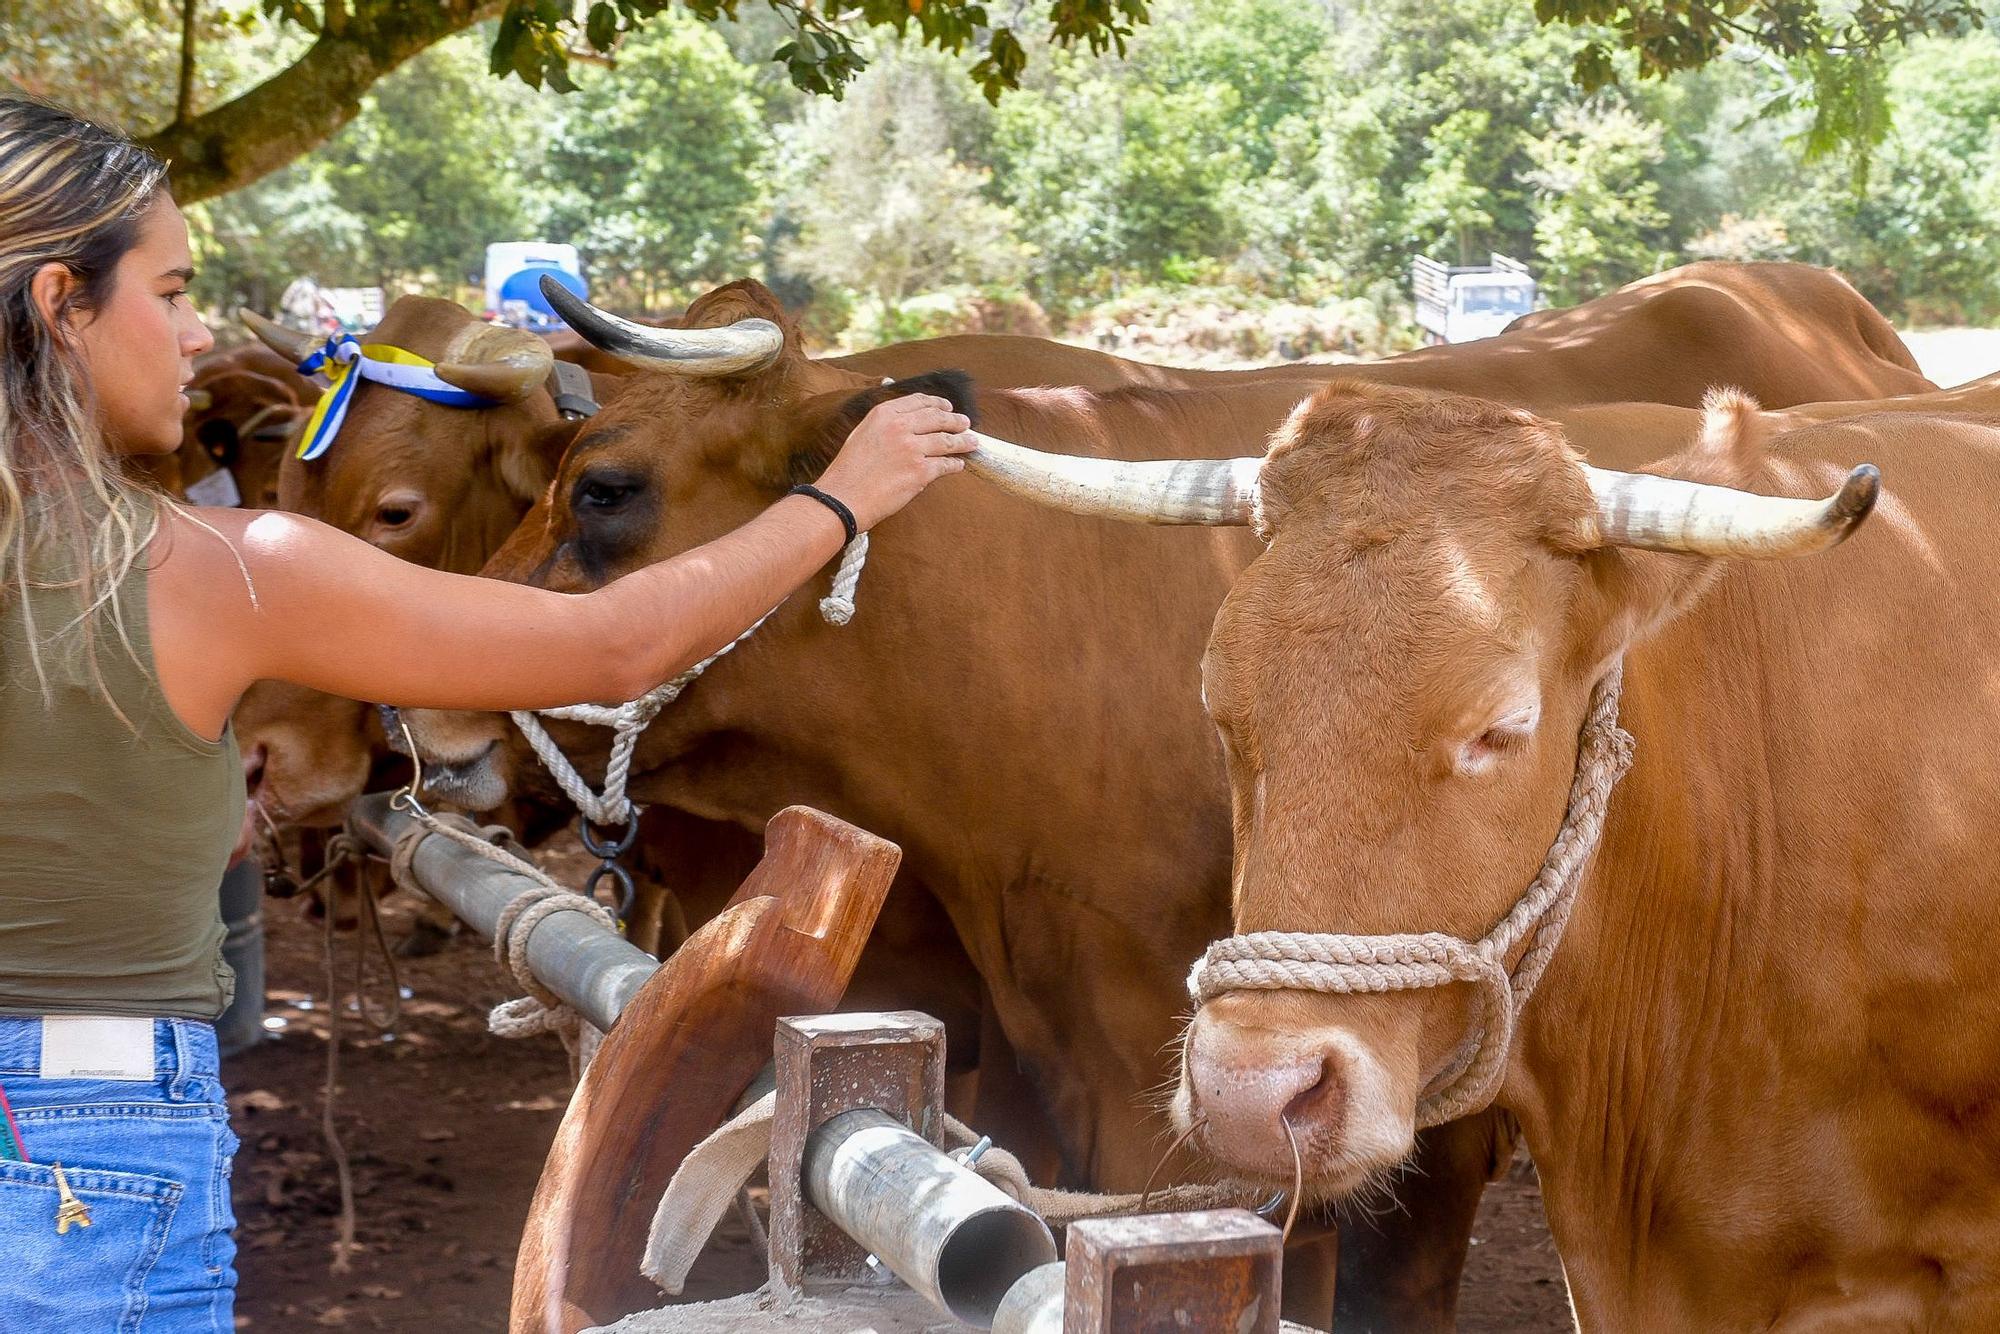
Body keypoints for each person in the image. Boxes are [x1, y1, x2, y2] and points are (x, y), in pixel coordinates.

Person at [0, 96, 975, 1330]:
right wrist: (841, 496)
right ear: (57, 304)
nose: (196, 334)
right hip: (84, 1133)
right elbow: (612, 645)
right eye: (173, 289)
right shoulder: (218, 567)